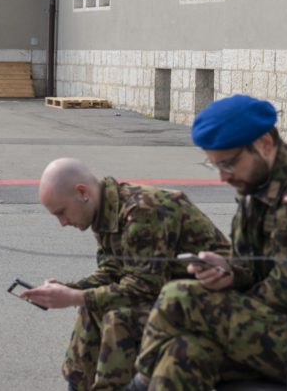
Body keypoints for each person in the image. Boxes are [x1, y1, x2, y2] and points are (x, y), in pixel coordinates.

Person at [128, 95, 287, 391]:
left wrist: (212, 305)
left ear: (264, 144)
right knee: (185, 353)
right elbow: (251, 264)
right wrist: (229, 272)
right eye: (214, 165)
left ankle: (137, 385)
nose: (223, 177)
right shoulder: (259, 182)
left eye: (228, 164)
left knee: (180, 298)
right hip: (286, 328)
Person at [18, 158, 230, 391]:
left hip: (212, 300)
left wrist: (74, 297)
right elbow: (112, 271)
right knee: (91, 306)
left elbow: (143, 286)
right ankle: (78, 385)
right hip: (170, 293)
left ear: (82, 192)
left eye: (62, 212)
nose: (62, 222)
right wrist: (69, 289)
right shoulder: (106, 210)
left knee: (118, 318)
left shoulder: (143, 210)